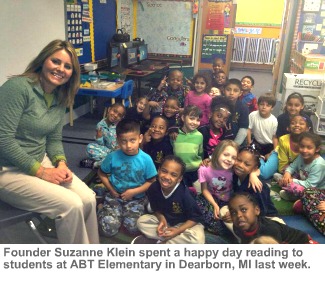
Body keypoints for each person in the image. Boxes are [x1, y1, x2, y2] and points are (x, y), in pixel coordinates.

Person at [0, 39, 99, 244]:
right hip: (7, 169)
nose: (60, 69)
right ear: (43, 60)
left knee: (88, 198)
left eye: (67, 66)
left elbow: (53, 138)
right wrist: (42, 171)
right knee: (71, 205)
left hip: (38, 161)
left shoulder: (59, 96)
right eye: (56, 61)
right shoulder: (17, 88)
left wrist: (60, 162)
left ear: (73, 72)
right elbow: (3, 139)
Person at [97, 119, 157, 237]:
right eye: (123, 141)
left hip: (136, 199)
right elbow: (101, 173)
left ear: (140, 138)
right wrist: (111, 189)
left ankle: (125, 213)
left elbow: (152, 181)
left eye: (132, 140)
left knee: (134, 228)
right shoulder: (113, 156)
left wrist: (134, 192)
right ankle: (100, 207)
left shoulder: (146, 159)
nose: (128, 145)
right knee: (108, 230)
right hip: (114, 197)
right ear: (118, 141)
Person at [134, 155, 205, 244]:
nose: (167, 177)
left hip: (185, 224)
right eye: (164, 171)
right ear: (158, 171)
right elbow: (155, 208)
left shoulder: (184, 194)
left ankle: (163, 242)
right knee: (141, 222)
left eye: (173, 175)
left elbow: (195, 218)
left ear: (179, 179)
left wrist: (178, 230)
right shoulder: (153, 188)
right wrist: (161, 218)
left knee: (197, 239)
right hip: (168, 223)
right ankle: (172, 240)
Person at [228, 192, 316, 244]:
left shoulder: (270, 230)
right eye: (233, 212)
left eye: (243, 210)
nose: (238, 215)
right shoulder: (237, 228)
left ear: (257, 210)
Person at [196, 140, 238, 234]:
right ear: (218, 152)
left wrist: (253, 174)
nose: (229, 159)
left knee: (228, 217)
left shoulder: (234, 169)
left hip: (228, 200)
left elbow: (251, 168)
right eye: (226, 154)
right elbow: (204, 190)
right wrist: (214, 205)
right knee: (196, 205)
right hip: (210, 198)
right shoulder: (204, 169)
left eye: (233, 157)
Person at [276, 132, 325, 203]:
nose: (304, 150)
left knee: (305, 191)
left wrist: (291, 180)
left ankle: (293, 196)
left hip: (315, 189)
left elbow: (309, 185)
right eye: (302, 146)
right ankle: (284, 182)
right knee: (285, 171)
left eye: (309, 147)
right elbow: (292, 167)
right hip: (303, 178)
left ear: (317, 149)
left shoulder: (319, 165)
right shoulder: (301, 156)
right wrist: (287, 174)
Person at [80, 102, 126, 168]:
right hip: (107, 151)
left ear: (121, 118)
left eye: (119, 115)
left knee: (124, 156)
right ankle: (111, 162)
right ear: (109, 109)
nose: (115, 115)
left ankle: (96, 164)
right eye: (114, 111)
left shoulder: (120, 127)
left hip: (119, 152)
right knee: (89, 147)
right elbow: (101, 145)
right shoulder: (100, 125)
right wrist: (99, 137)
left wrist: (120, 146)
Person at [171, 105, 203, 188]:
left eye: (198, 120)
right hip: (179, 171)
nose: (195, 122)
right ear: (183, 118)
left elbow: (200, 153)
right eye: (191, 118)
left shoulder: (199, 136)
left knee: (198, 192)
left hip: (195, 172)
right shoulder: (175, 134)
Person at [224, 78, 249, 146]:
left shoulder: (243, 108)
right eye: (228, 90)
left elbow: (243, 129)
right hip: (221, 141)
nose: (231, 93)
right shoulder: (220, 105)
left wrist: (235, 145)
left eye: (235, 91)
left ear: (240, 93)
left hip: (237, 142)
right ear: (224, 91)